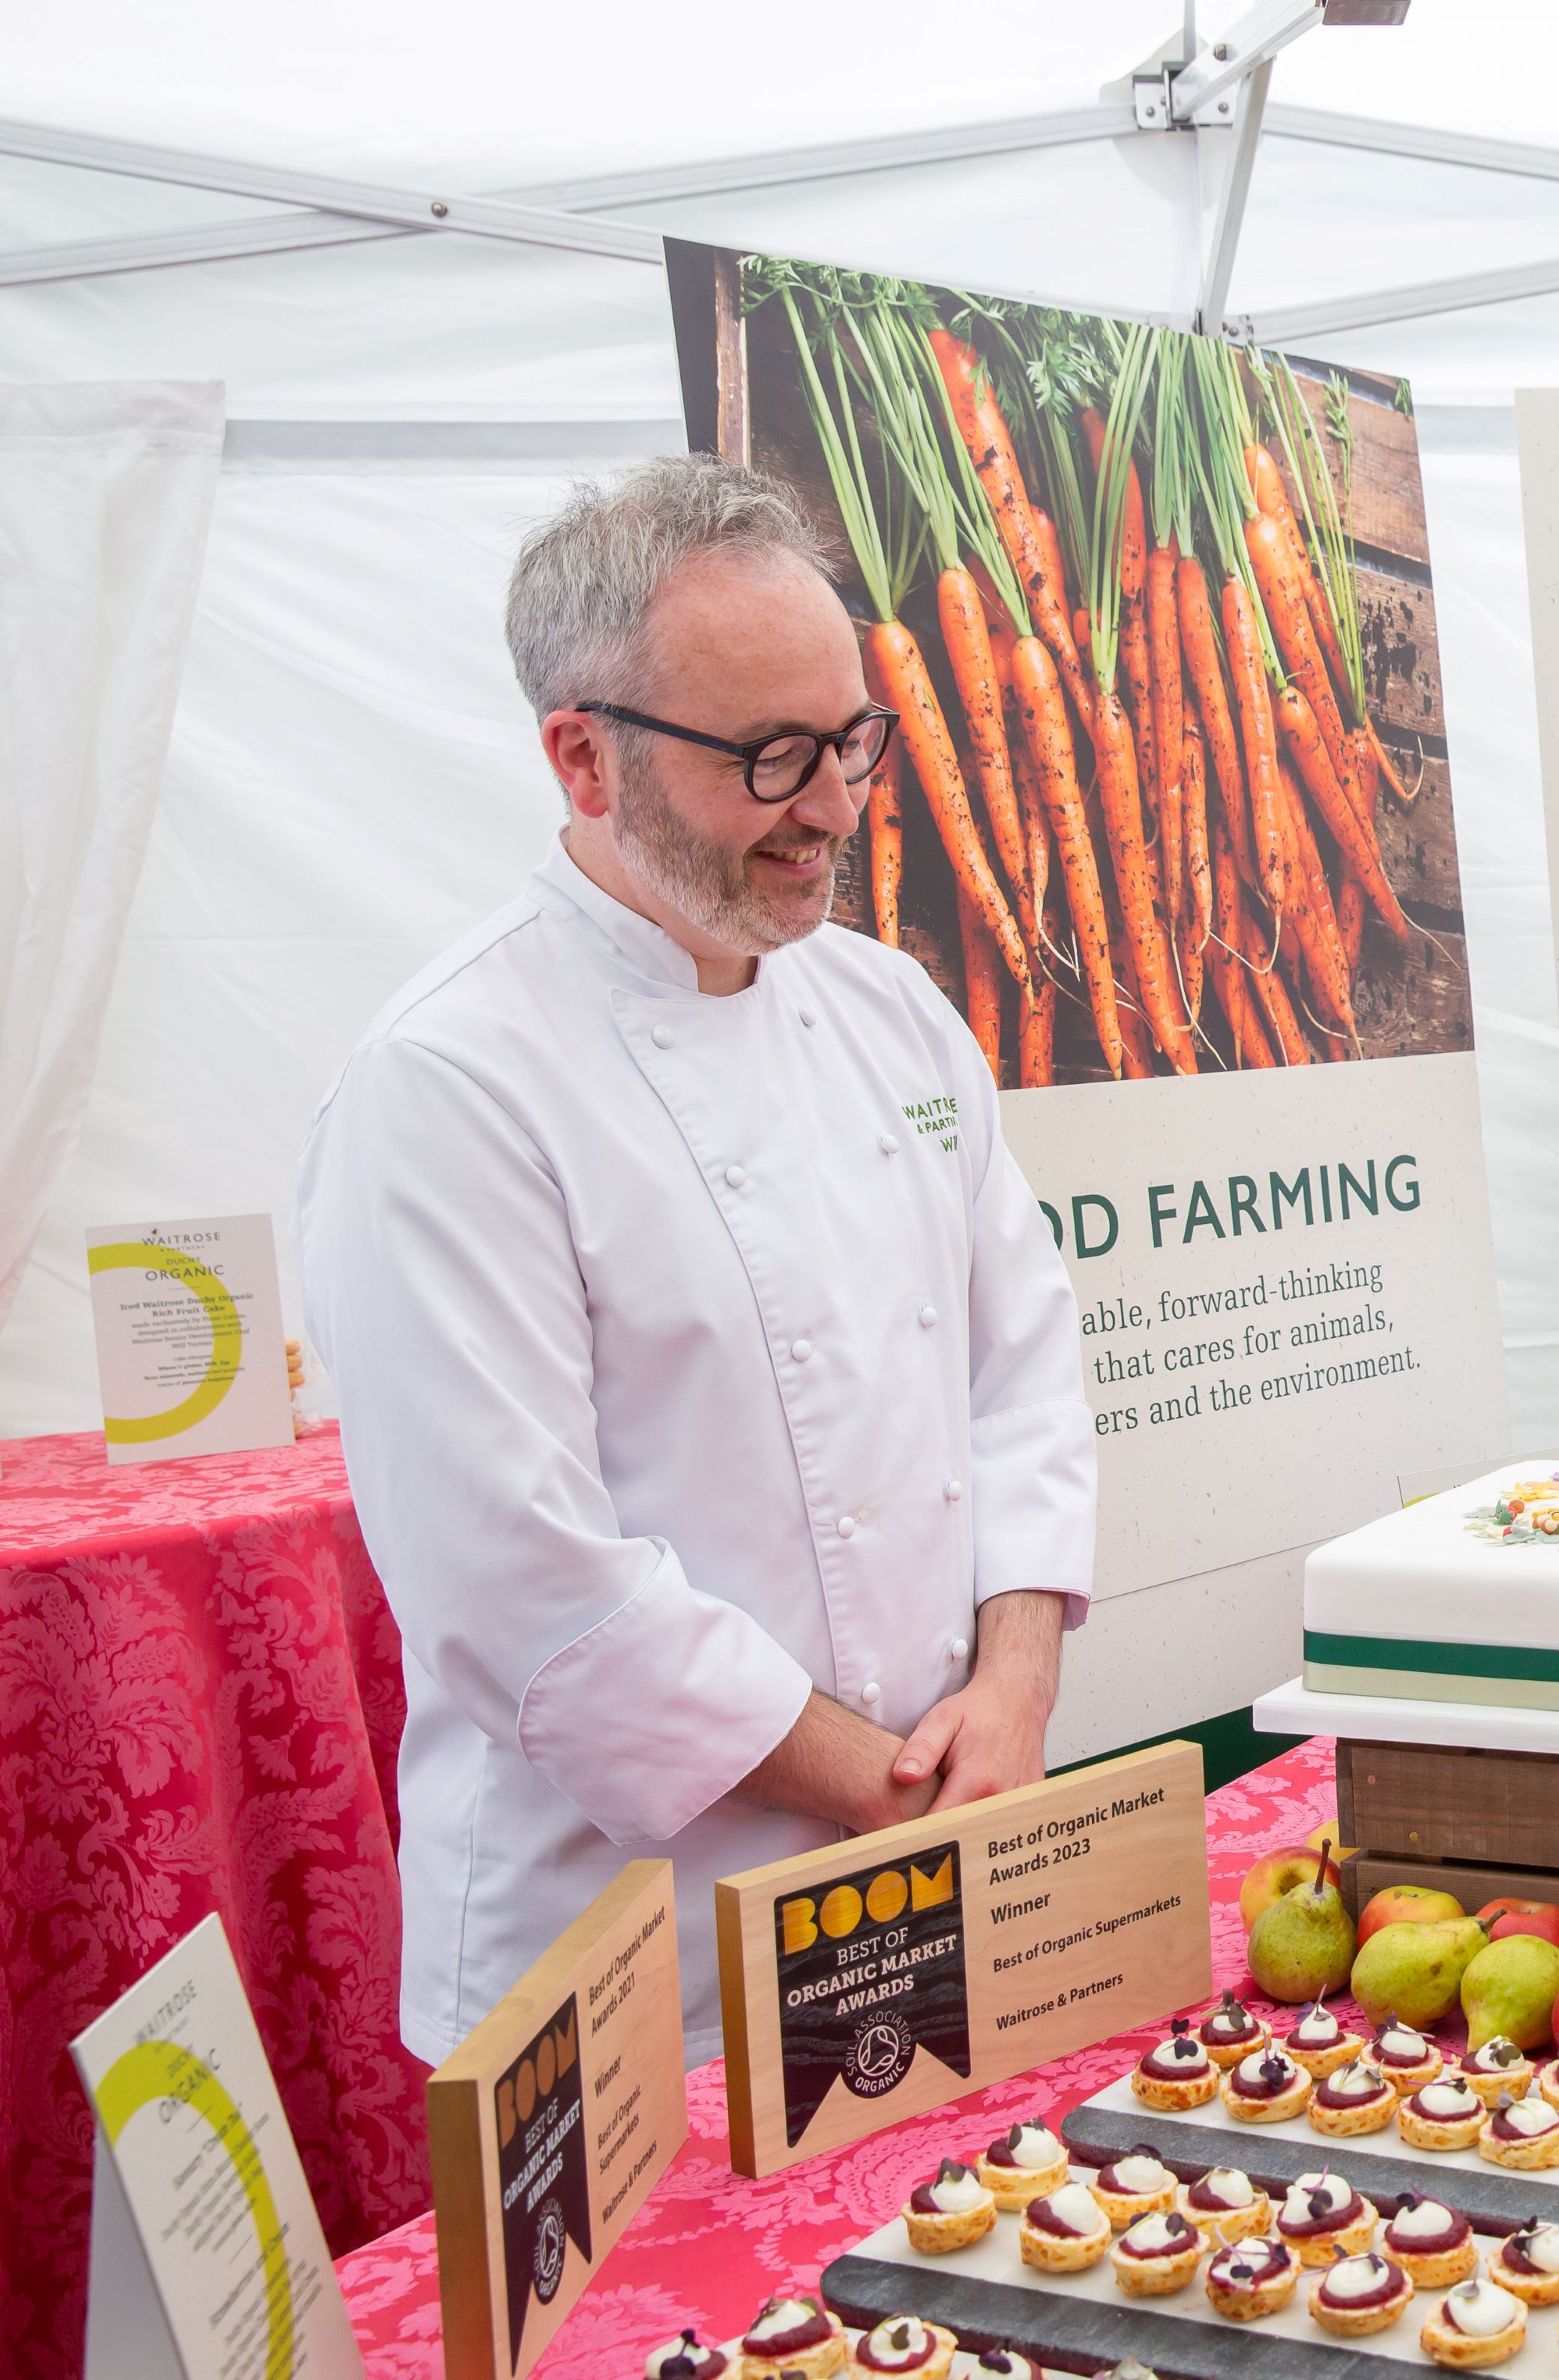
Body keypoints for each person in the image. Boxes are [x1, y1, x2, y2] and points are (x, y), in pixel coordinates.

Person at [294, 456, 1096, 2063]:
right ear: (582, 756)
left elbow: (1022, 1376)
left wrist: (1011, 1691)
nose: (836, 806)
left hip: (926, 1870)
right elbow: (527, 1588)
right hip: (631, 1953)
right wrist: (906, 1791)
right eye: (769, 756)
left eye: (851, 740)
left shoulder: (891, 1011)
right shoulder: (451, 1082)